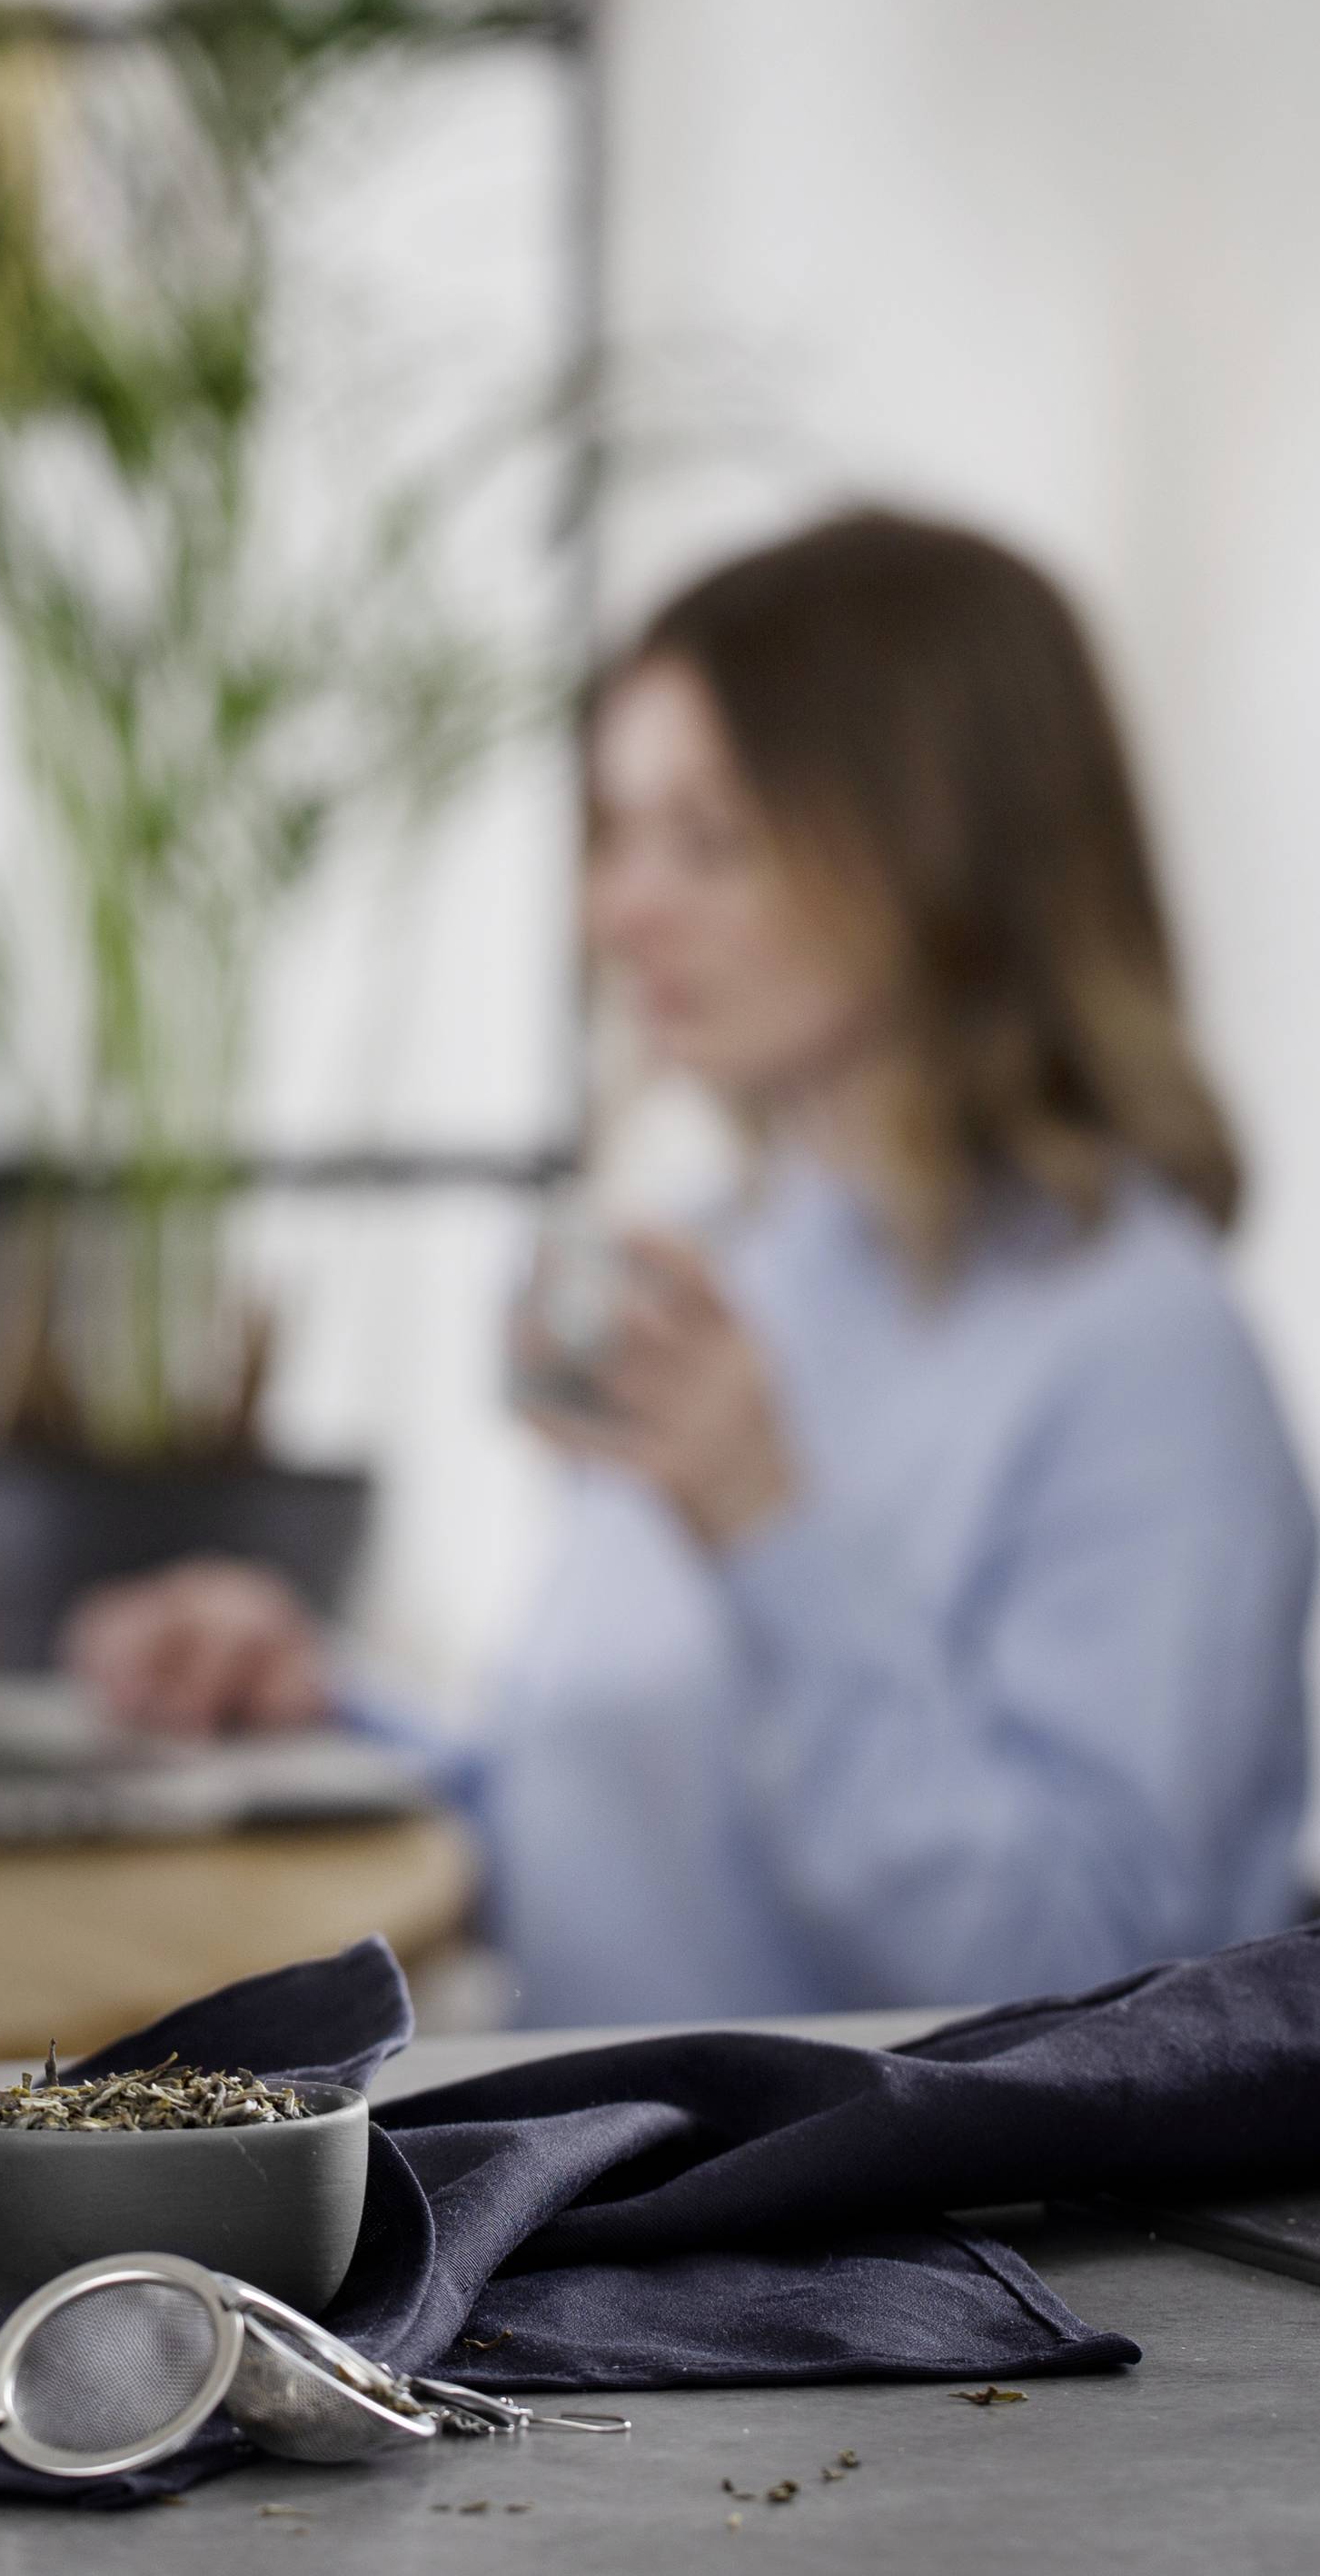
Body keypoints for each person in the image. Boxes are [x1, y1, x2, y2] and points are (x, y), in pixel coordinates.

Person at [66, 509, 1316, 2024]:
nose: (619, 912)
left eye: (708, 840)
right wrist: (328, 1721)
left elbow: (1091, 1996)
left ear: (938, 852)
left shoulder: (1143, 1349)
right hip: (606, 2169)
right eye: (619, 834)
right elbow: (644, 1856)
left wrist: (762, 1520)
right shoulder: (748, 1259)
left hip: (897, 2247)